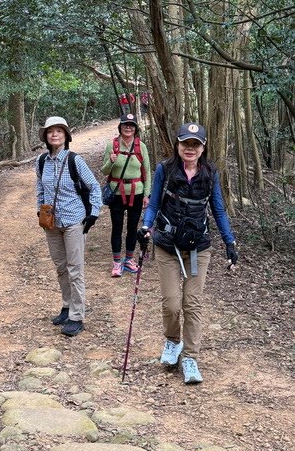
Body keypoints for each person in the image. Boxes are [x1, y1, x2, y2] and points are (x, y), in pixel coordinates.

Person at [137, 122, 238, 384]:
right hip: (167, 246)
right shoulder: (165, 169)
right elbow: (155, 202)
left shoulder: (210, 173)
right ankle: (173, 342)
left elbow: (218, 210)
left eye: (195, 144)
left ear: (203, 147)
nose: (190, 148)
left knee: (192, 304)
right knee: (171, 304)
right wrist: (146, 226)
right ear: (178, 145)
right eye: (185, 143)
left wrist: (229, 242)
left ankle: (190, 357)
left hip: (198, 247)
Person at [37, 116, 102, 337]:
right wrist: (40, 210)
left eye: (59, 131)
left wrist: (94, 213)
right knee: (61, 267)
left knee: (75, 269)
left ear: (66, 136)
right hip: (51, 223)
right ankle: (66, 306)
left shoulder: (75, 161)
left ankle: (77, 316)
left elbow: (94, 186)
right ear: (45, 137)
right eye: (50, 131)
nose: (54, 134)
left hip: (74, 220)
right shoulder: (41, 162)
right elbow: (40, 189)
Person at [101, 113, 151, 277]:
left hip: (136, 192)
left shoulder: (141, 146)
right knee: (117, 227)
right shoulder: (112, 145)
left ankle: (129, 260)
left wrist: (146, 194)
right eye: (125, 124)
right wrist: (111, 161)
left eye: (131, 125)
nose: (128, 127)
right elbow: (104, 171)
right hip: (117, 192)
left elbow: (147, 172)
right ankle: (117, 263)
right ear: (120, 127)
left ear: (136, 128)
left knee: (132, 228)